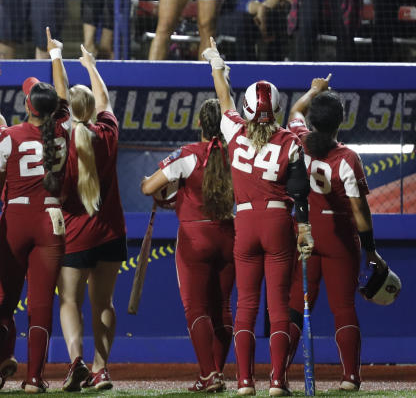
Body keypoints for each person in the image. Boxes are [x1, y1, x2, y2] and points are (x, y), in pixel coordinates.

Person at [202, 37, 313, 396]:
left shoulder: (234, 130)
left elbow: (223, 98)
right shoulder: (290, 141)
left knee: (246, 303)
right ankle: (278, 381)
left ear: (248, 109)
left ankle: (244, 381)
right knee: (279, 304)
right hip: (279, 222)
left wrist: (217, 63)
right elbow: (300, 193)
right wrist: (305, 229)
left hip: (245, 222)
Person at [283, 75, 388, 392]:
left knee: (295, 305)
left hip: (303, 232)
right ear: (340, 122)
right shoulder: (347, 158)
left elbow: (293, 114)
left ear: (313, 121)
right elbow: (360, 212)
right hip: (339, 236)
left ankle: (279, 374)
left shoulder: (298, 138)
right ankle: (350, 377)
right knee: (343, 307)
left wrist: (314, 90)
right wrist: (370, 250)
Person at [0, 29, 71, 392]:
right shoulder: (63, 132)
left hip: (15, 219)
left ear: (28, 107)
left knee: (4, 301)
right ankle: (34, 378)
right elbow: (62, 97)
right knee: (41, 305)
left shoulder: (10, 136)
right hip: (51, 221)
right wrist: (56, 56)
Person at [140, 98, 235, 393]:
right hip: (229, 235)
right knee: (222, 308)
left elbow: (148, 187)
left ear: (199, 124)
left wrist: (165, 191)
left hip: (195, 238)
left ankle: (208, 375)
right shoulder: (236, 153)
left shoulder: (187, 154)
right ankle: (216, 372)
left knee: (196, 309)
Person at [55, 46, 125, 392]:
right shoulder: (108, 134)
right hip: (111, 233)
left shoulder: (64, 141)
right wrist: (91, 66)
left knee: (69, 300)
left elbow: (59, 100)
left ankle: (75, 361)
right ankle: (101, 369)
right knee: (104, 303)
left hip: (75, 236)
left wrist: (57, 59)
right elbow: (104, 99)